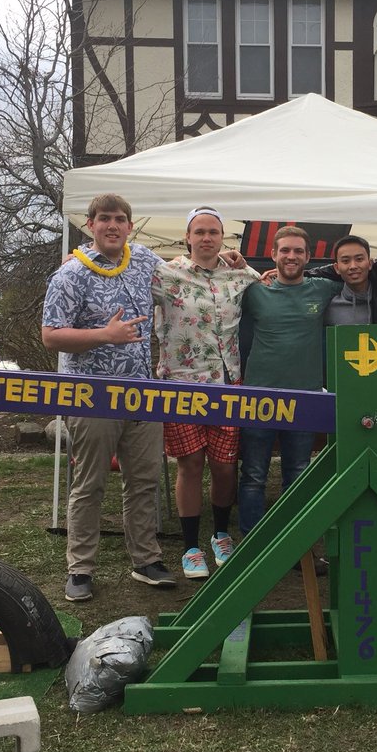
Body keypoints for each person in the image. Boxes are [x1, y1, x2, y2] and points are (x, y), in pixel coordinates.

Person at [42, 193, 176, 602]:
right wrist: (105, 335)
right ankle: (80, 569)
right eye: (104, 218)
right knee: (90, 483)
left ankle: (146, 560)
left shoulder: (144, 260)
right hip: (91, 395)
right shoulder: (71, 274)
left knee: (144, 481)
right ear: (91, 225)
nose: (112, 225)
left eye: (119, 219)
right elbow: (51, 336)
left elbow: (182, 277)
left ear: (130, 226)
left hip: (142, 392)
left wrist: (227, 260)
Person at [152, 208, 259, 578]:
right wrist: (79, 259)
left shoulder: (240, 274)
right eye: (199, 232)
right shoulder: (165, 274)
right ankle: (190, 547)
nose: (207, 238)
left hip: (228, 383)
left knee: (225, 465)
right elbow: (123, 276)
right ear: (188, 237)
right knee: (191, 464)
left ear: (222, 237)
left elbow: (275, 284)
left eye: (213, 231)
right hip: (181, 383)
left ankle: (220, 535)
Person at [237, 227, 339, 534]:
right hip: (259, 396)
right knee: (253, 475)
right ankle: (253, 544)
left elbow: (358, 272)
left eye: (297, 251)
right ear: (273, 255)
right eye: (285, 250)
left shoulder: (323, 288)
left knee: (297, 473)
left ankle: (295, 542)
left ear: (308, 256)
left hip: (304, 397)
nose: (291, 256)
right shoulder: (254, 291)